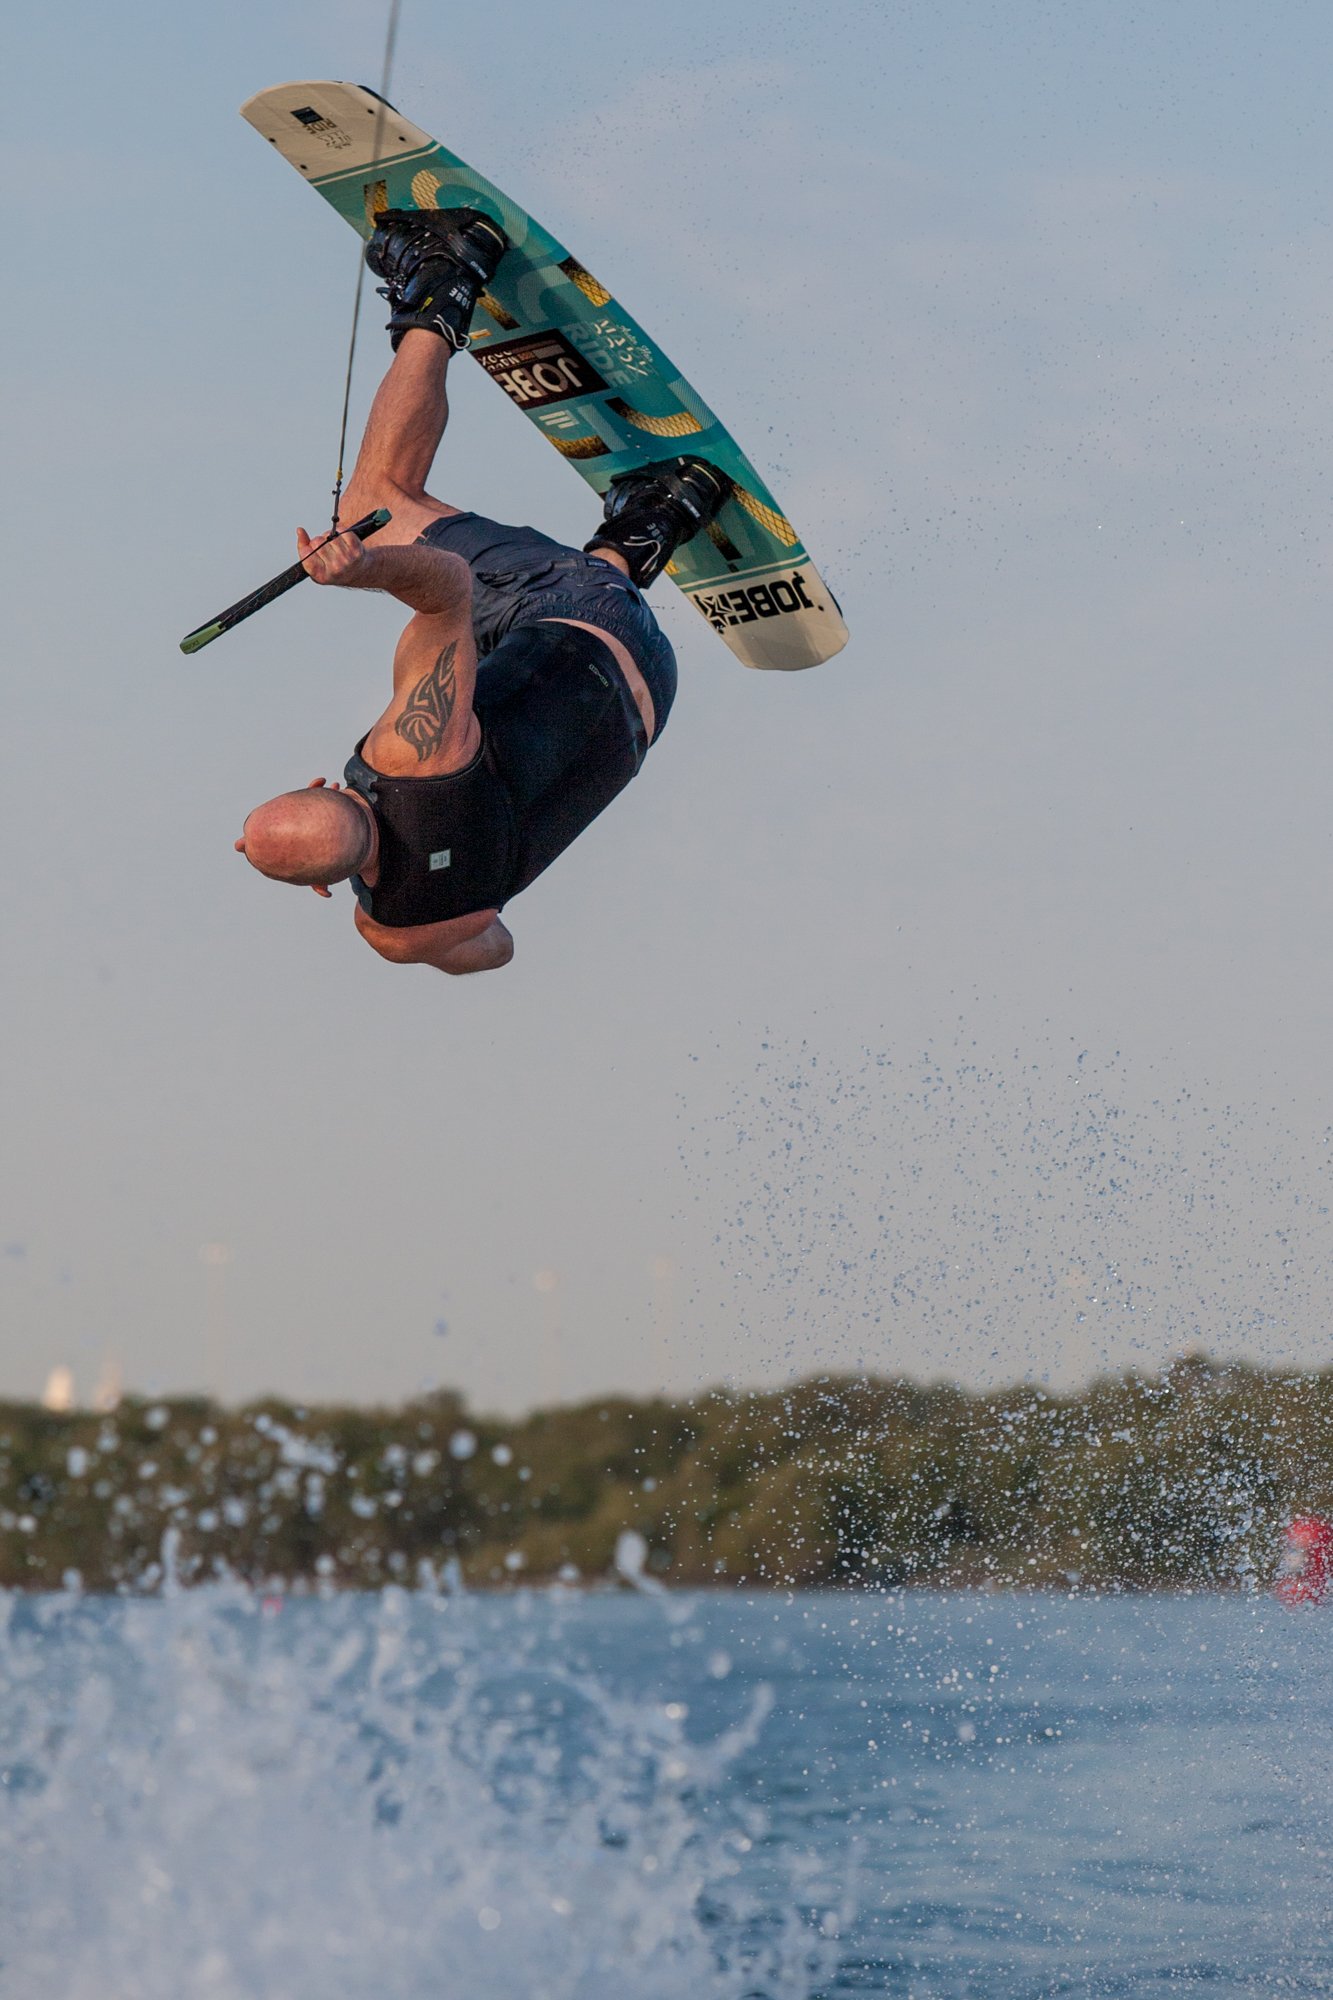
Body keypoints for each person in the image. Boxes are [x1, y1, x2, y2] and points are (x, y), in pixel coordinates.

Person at [236, 206, 729, 974]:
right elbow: (447, 592)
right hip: (583, 618)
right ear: (323, 786)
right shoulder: (409, 754)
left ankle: (655, 517)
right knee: (379, 506)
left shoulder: (399, 931)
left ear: (329, 887)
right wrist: (363, 566)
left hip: (648, 701)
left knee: (516, 704)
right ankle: (446, 273)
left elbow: (490, 948)